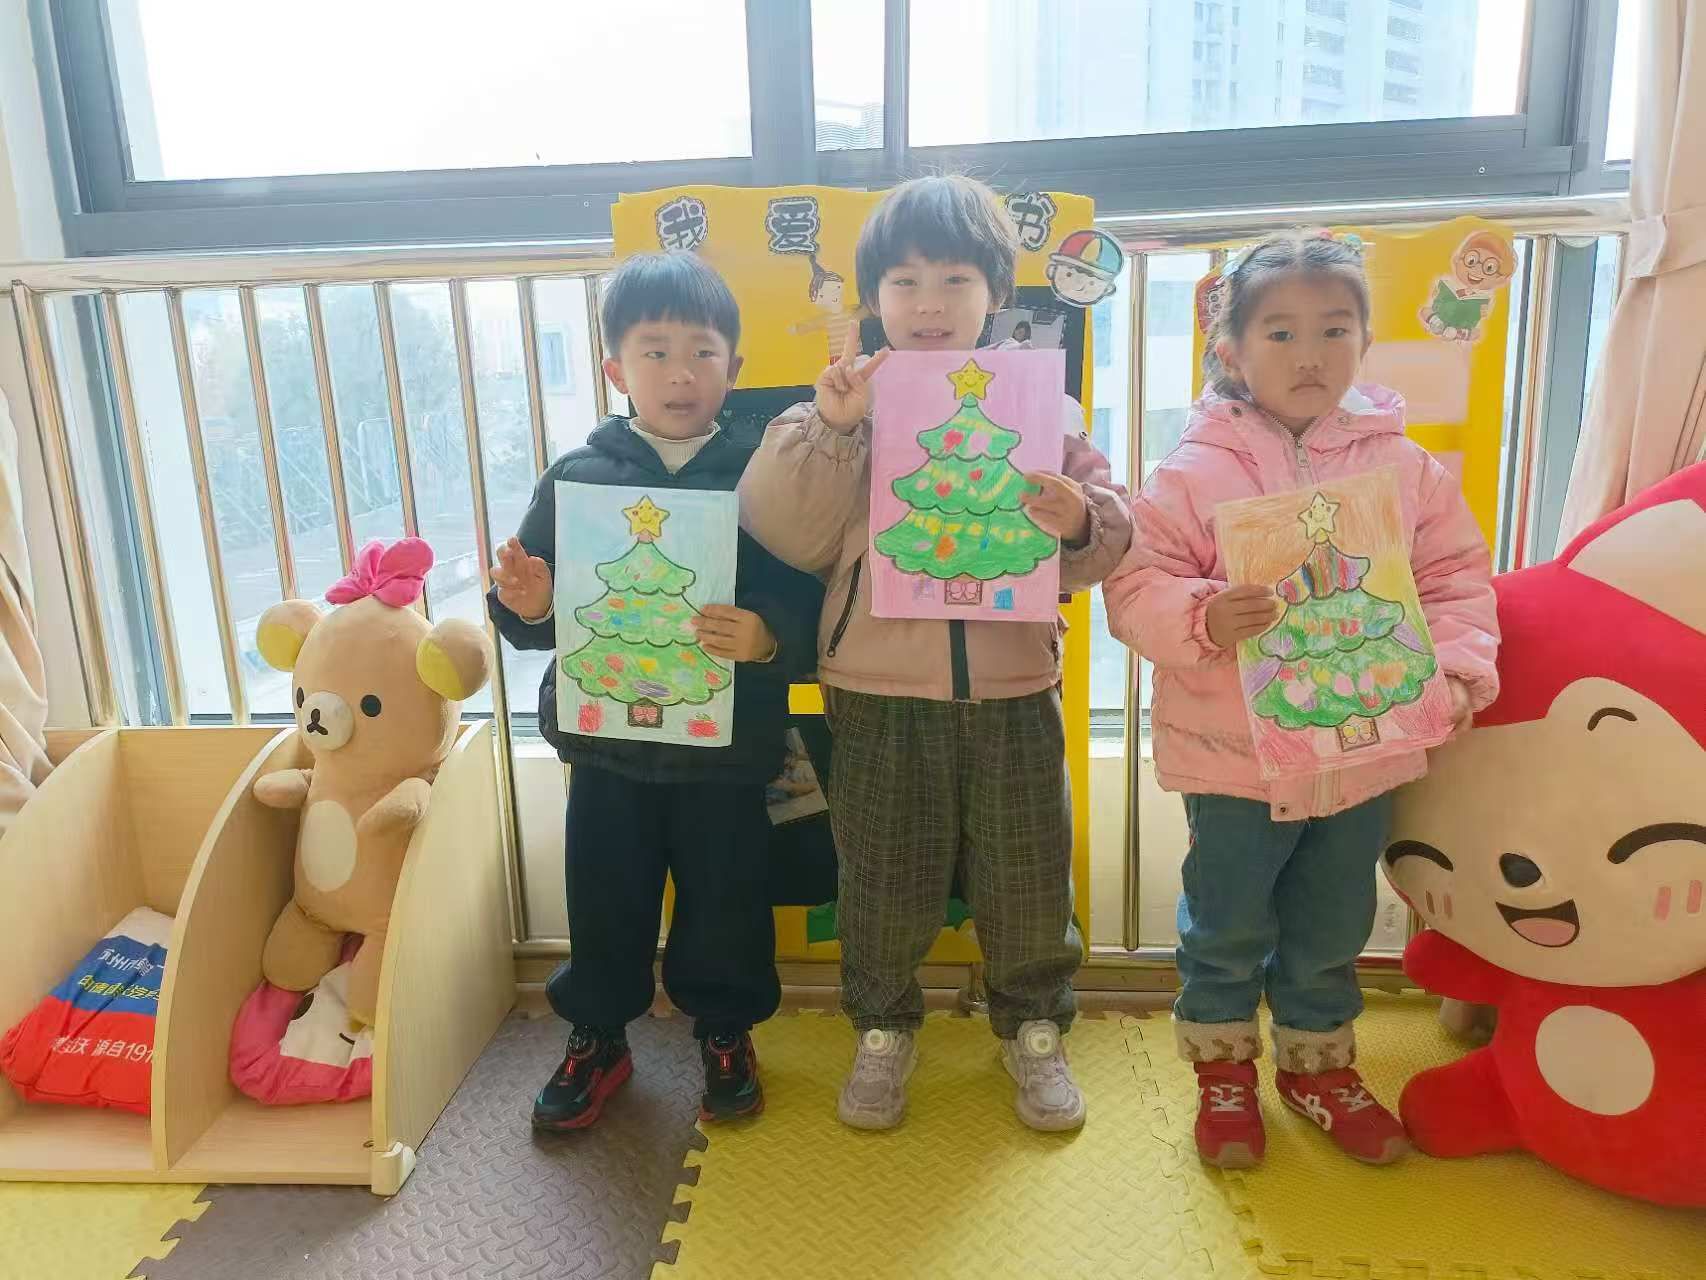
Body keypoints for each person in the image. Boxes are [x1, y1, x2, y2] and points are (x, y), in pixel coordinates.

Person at [740, 175, 1132, 1133]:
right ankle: (882, 1028)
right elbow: (784, 528)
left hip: (1014, 686)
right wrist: (833, 429)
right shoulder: (845, 403)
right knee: (882, 876)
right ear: (874, 297)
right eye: (905, 281)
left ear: (995, 293)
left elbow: (1111, 540)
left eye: (955, 279)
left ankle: (1032, 1026)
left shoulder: (1045, 410)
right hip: (877, 689)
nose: (929, 302)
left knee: (1028, 872)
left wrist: (1079, 519)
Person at [1104, 230, 1500, 1168]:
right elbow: (1134, 585)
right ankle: (1223, 1073)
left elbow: (1455, 579)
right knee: (1226, 925)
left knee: (1332, 927)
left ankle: (1318, 1069)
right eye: (1280, 333)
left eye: (1334, 329)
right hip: (1235, 765)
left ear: (1365, 343)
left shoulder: (1404, 467)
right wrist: (1205, 615)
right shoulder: (1192, 471)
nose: (1310, 354)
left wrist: (1452, 671)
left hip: (1362, 752)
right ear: (1231, 351)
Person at [488, 252, 822, 1131]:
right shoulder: (578, 476)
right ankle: (598, 1034)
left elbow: (806, 591)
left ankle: (725, 1030)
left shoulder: (764, 474)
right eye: (656, 352)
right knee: (605, 897)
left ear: (734, 368)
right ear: (616, 368)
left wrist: (769, 634)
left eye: (703, 353)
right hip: (609, 750)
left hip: (726, 750)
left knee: (728, 901)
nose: (681, 374)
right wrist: (528, 602)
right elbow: (532, 609)